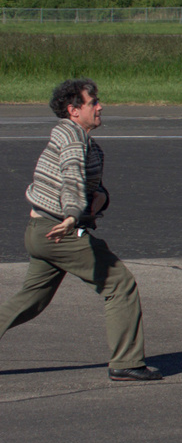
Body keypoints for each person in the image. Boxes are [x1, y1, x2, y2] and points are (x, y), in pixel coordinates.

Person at [0, 79, 156, 381]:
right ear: (74, 110)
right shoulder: (72, 138)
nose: (100, 106)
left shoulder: (81, 140)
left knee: (30, 301)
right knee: (119, 283)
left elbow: (90, 187)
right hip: (59, 231)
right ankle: (126, 362)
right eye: (93, 101)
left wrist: (100, 199)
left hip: (42, 231)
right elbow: (72, 176)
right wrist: (73, 214)